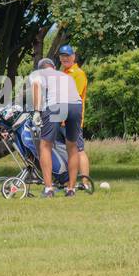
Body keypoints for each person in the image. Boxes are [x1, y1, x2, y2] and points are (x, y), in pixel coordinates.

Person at [28, 58, 82, 198]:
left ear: (40, 67)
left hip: (56, 105)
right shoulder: (65, 75)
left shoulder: (37, 74)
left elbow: (36, 88)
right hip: (76, 105)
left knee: (45, 145)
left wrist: (37, 111)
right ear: (53, 66)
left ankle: (48, 189)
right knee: (72, 146)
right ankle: (71, 189)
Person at [58, 45, 90, 188]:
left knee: (79, 150)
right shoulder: (63, 74)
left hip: (72, 119)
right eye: (62, 56)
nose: (65, 58)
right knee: (67, 151)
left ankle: (85, 182)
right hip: (60, 119)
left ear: (73, 57)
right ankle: (68, 181)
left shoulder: (78, 73)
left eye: (67, 56)